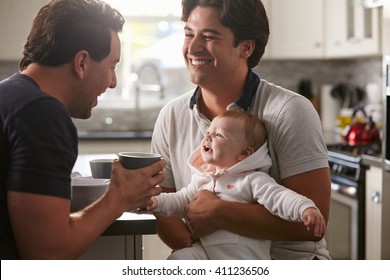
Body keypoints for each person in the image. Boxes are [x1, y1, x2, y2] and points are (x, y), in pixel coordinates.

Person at [151, 0, 331, 260]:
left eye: (209, 37)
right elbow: (164, 211)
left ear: (246, 47)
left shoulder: (290, 111)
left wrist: (220, 213)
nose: (193, 47)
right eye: (189, 34)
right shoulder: (171, 116)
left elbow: (314, 223)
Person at [0, 0, 165, 260]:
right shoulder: (42, 114)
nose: (113, 82)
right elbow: (46, 253)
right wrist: (118, 198)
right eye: (112, 66)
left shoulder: (9, 95)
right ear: (82, 63)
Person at [148, 110, 327, 259]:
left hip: (244, 257)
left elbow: (280, 197)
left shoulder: (252, 179)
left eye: (218, 135)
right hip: (204, 254)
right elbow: (180, 200)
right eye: (207, 133)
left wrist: (305, 208)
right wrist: (156, 202)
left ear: (244, 153)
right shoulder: (202, 179)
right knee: (178, 259)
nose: (208, 137)